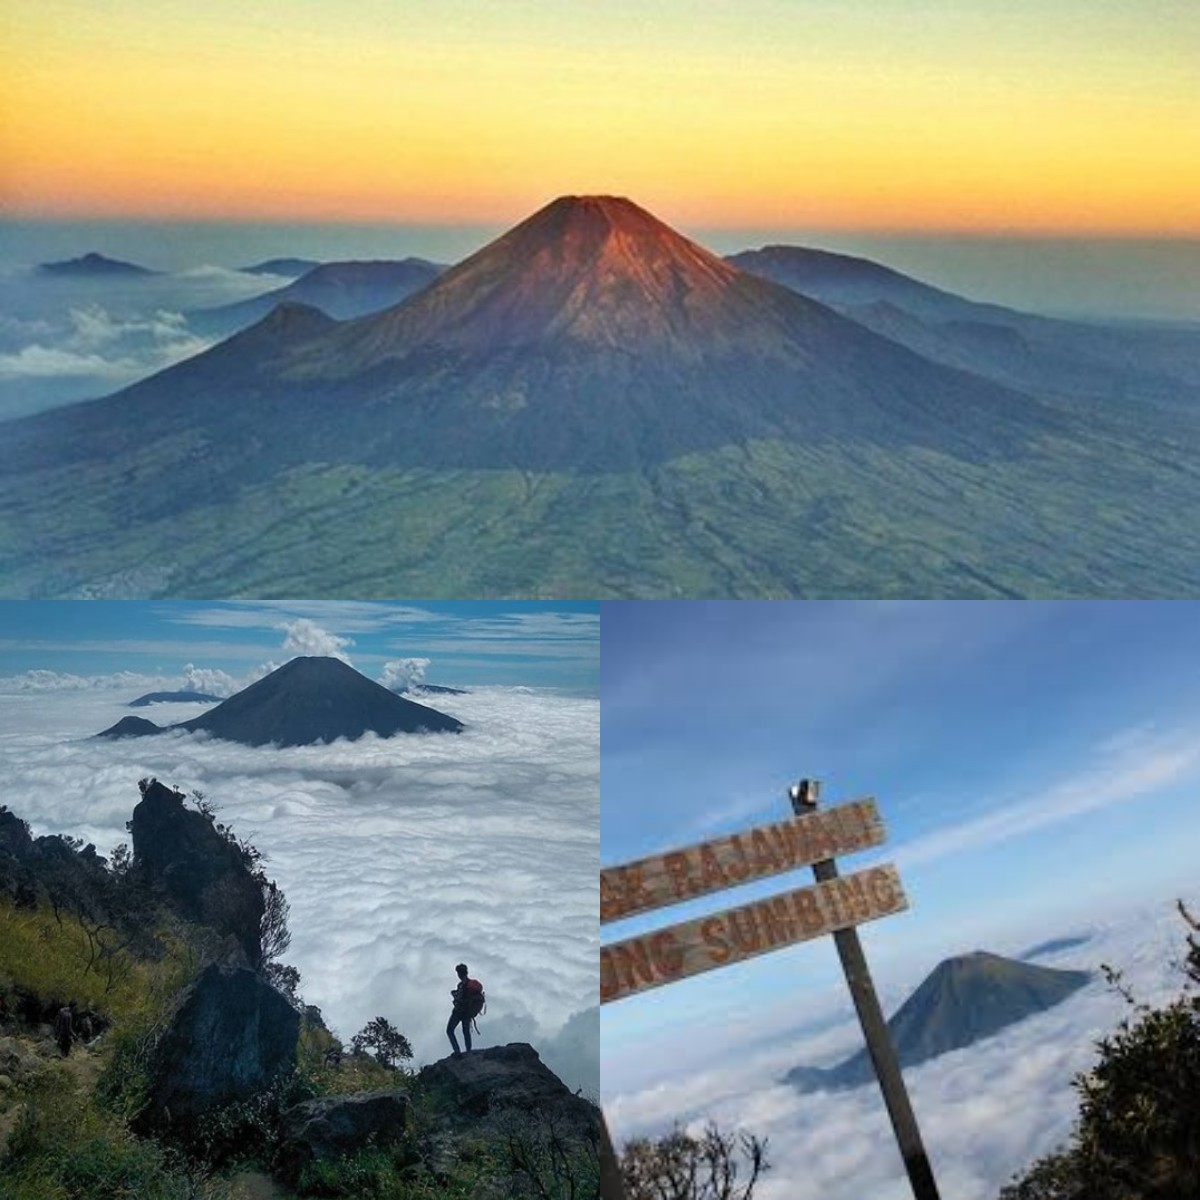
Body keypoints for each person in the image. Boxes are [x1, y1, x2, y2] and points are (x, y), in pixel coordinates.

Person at [446, 962, 473, 1056]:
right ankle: (468, 1051)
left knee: (449, 1030)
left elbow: (460, 998)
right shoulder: (470, 984)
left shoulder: (462, 985)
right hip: (468, 1012)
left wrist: (454, 995)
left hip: (459, 1011)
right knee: (466, 1032)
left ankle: (457, 1052)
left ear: (459, 973)